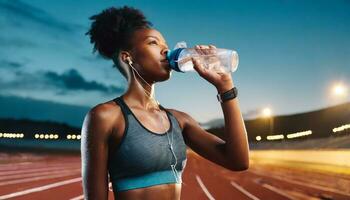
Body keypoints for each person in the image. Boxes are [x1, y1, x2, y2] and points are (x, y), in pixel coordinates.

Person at [81, 6, 249, 200]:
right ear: (127, 57)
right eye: (153, 43)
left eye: (166, 45)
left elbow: (238, 160)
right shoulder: (105, 117)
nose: (166, 50)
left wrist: (225, 87)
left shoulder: (180, 120)